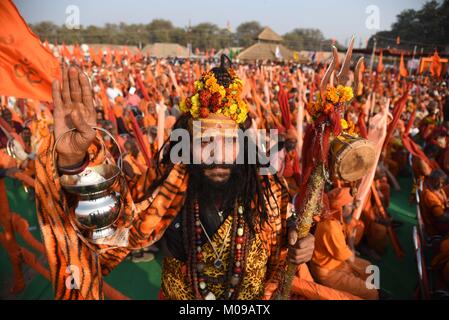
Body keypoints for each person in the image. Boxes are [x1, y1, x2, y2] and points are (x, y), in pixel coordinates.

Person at [34, 58, 315, 300]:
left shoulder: (267, 189)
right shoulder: (168, 183)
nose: (217, 154)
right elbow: (111, 224)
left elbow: (282, 252)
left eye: (229, 141)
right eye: (205, 142)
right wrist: (75, 162)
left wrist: (298, 245)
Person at [310, 187, 379, 300]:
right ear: (341, 207)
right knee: (372, 293)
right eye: (350, 205)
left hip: (338, 263)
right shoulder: (331, 227)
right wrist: (351, 241)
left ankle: (366, 288)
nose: (354, 207)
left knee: (369, 267)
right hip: (329, 272)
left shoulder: (336, 219)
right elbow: (350, 258)